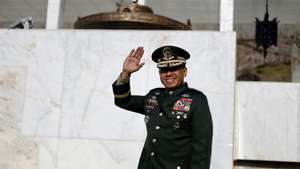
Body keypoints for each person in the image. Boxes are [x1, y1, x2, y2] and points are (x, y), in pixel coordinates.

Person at [112, 46, 213, 169]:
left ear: (185, 72)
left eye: (174, 69)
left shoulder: (197, 99)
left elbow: (202, 150)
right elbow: (123, 101)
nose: (168, 73)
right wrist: (125, 74)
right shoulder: (154, 95)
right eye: (164, 70)